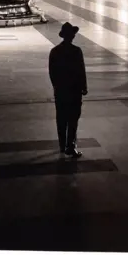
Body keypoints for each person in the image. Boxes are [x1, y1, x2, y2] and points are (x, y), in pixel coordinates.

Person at [48, 22, 88, 158]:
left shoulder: (54, 51)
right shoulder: (76, 51)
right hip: (74, 90)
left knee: (61, 118)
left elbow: (51, 72)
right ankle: (70, 146)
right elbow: (81, 71)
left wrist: (57, 86)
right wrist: (84, 87)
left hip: (60, 90)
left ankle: (61, 145)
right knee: (73, 119)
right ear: (72, 36)